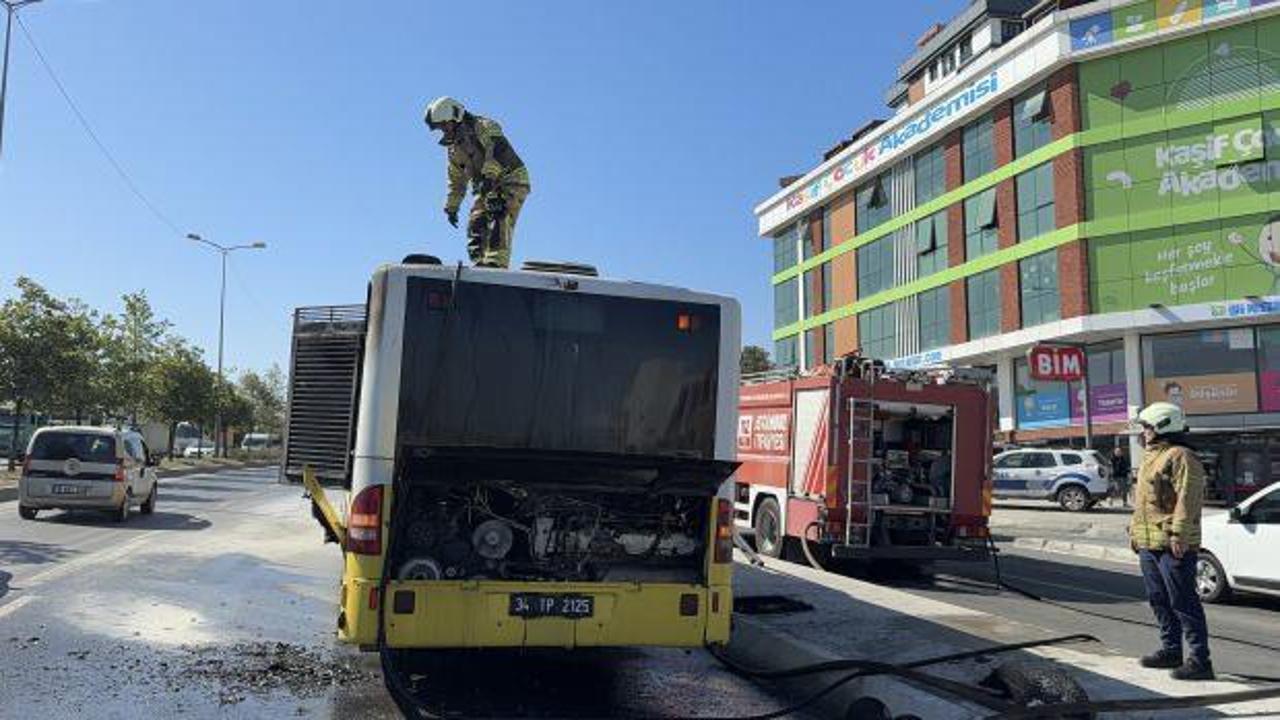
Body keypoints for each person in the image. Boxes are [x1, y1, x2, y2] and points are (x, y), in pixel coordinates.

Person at [1130, 401, 1214, 680]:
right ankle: (1171, 650)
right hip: (1148, 543)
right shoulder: (1150, 456)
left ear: (1162, 426)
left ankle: (1200, 661)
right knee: (1158, 599)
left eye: (1147, 427)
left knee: (1183, 601)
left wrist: (1179, 533)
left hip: (1172, 543)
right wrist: (1135, 533)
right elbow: (1143, 502)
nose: (1143, 432)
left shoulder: (1181, 456)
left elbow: (1188, 499)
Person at [424, 96, 531, 268]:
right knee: (476, 223)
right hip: (485, 186)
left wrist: (489, 176)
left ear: (455, 117)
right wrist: (452, 206)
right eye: (440, 127)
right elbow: (456, 180)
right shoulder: (454, 149)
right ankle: (480, 265)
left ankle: (496, 263)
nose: (443, 130)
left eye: (444, 124)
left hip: (511, 179)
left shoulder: (484, 127)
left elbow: (496, 151)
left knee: (498, 211)